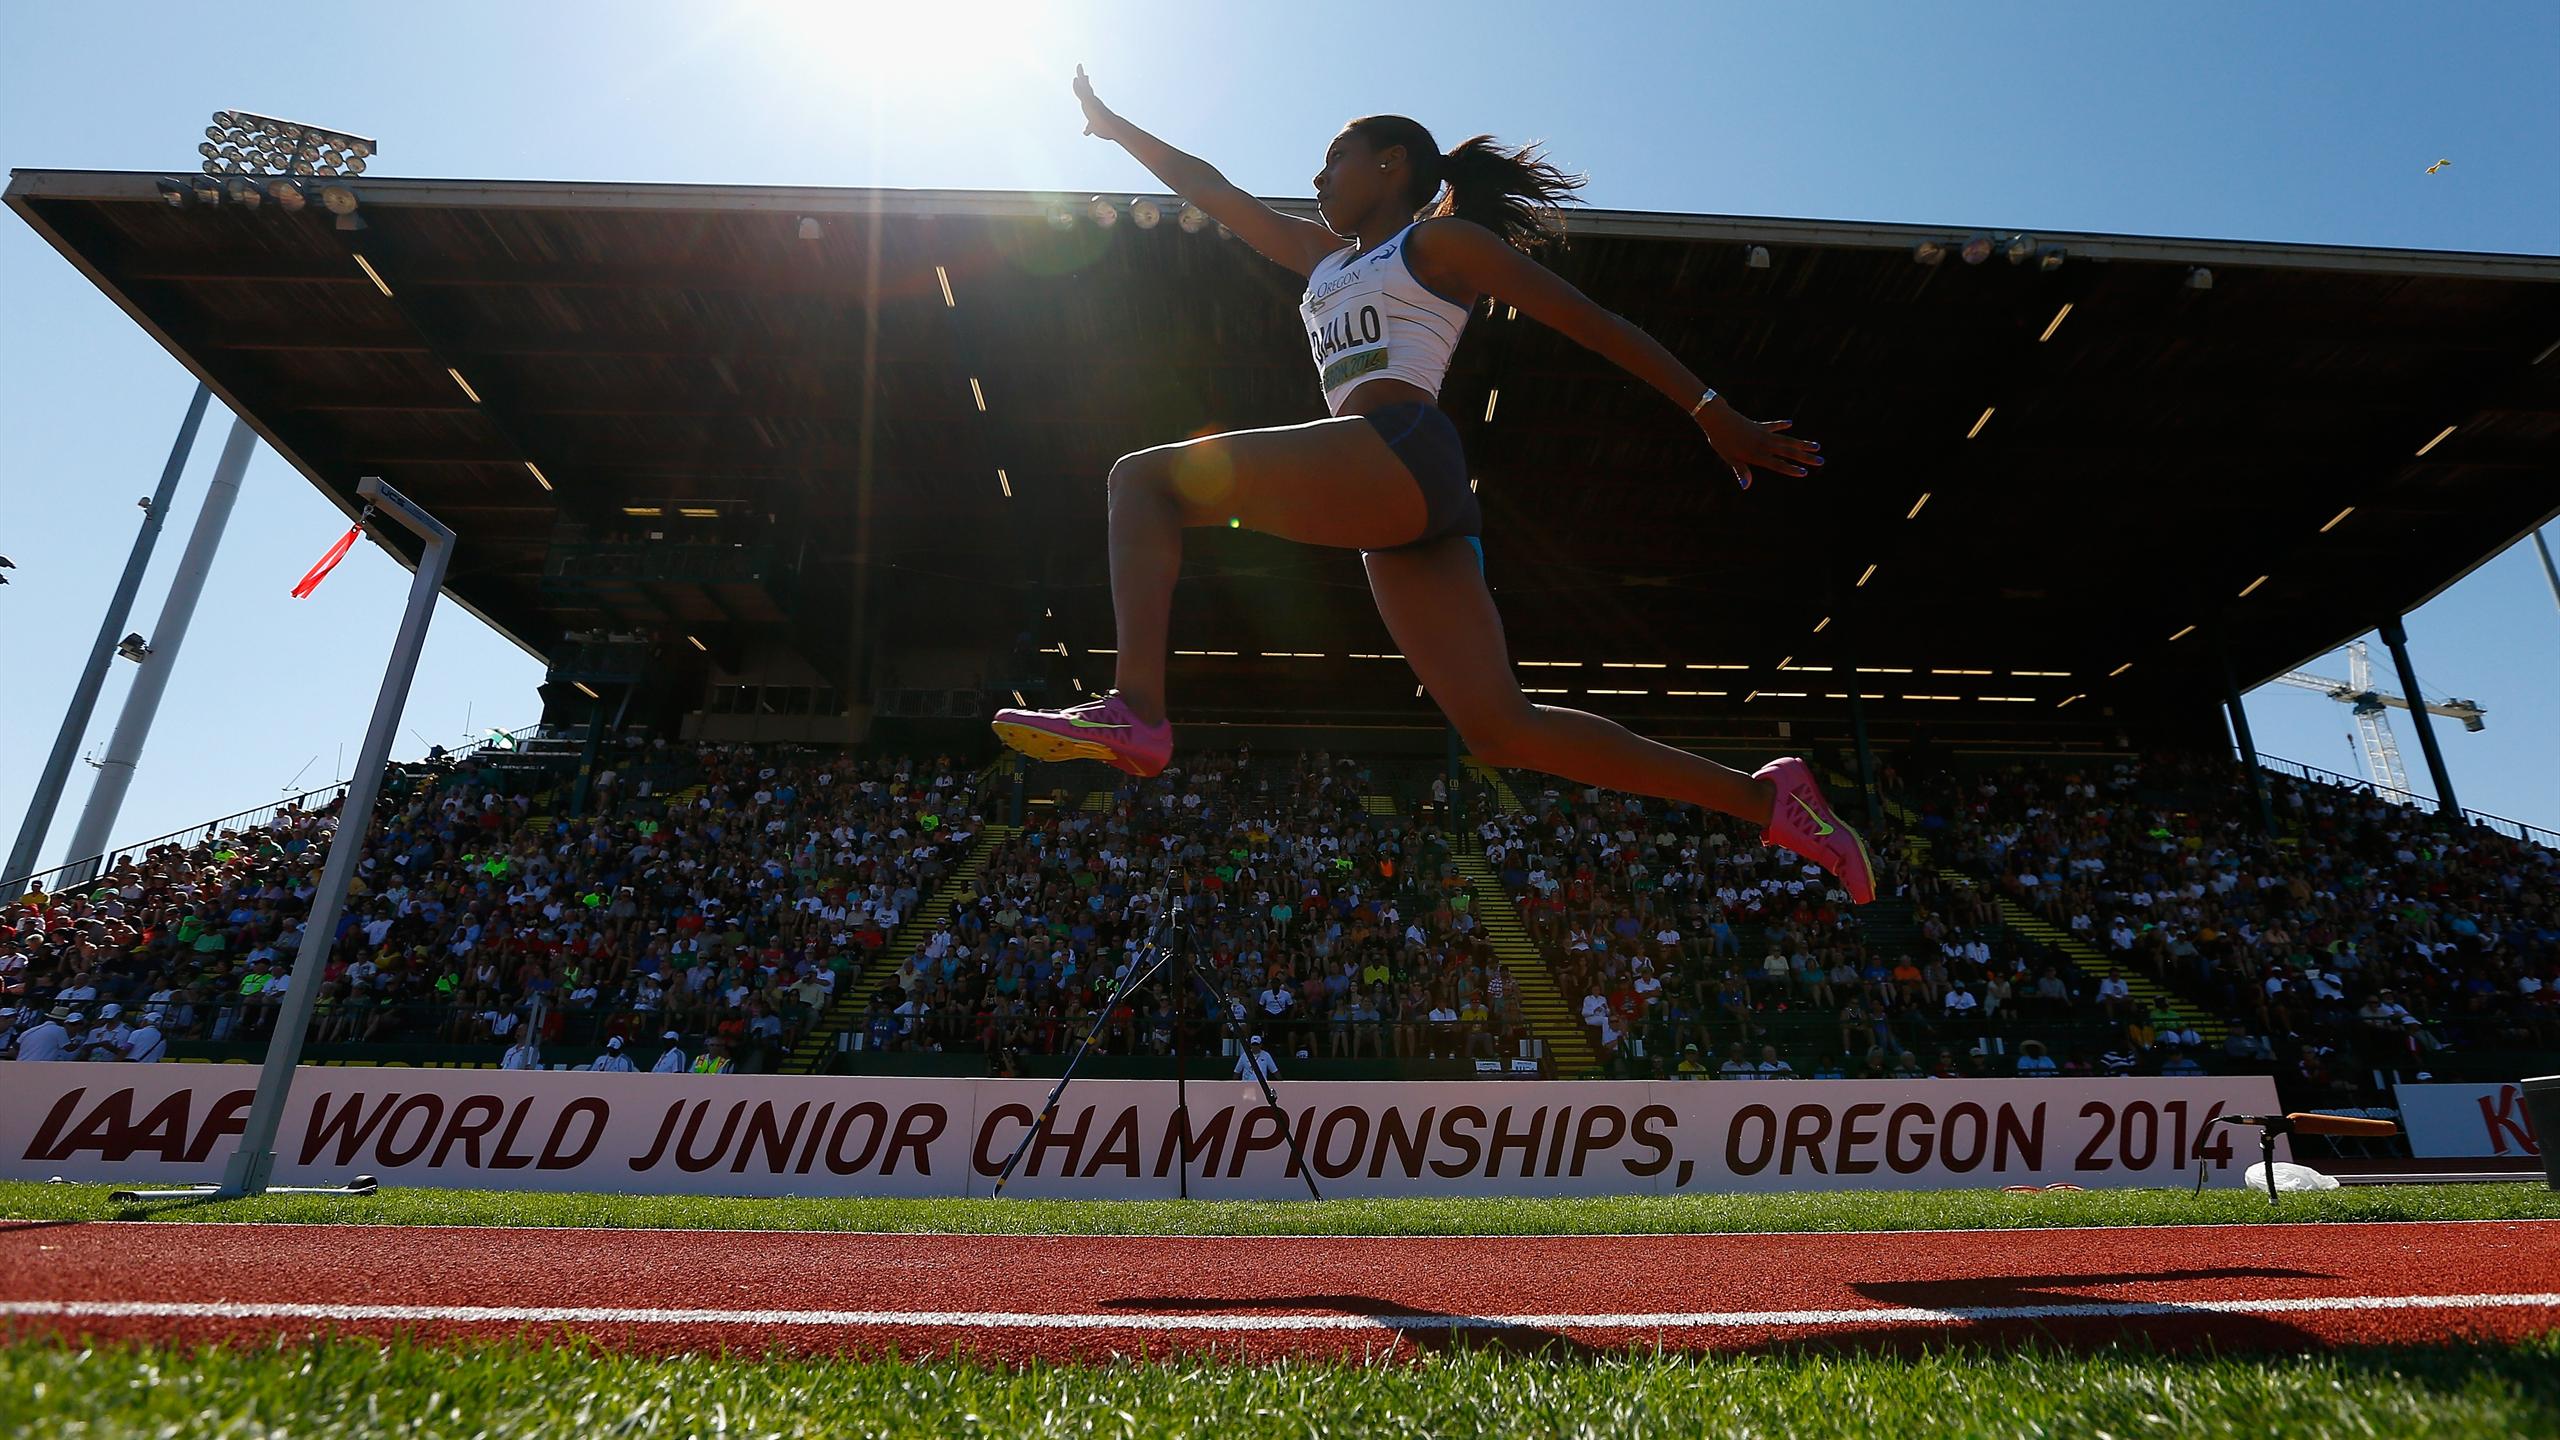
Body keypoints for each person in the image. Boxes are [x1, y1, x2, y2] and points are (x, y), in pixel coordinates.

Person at [989, 68, 1874, 906]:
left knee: (1143, 481)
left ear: (1392, 163)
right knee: (1500, 731)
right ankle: (1772, 802)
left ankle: (1137, 711)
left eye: (1334, 156)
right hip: (1401, 507)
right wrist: (1112, 128)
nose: (1317, 174)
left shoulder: (1439, 243)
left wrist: (1710, 407)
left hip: (1403, 447)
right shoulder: (1318, 258)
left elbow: (1591, 320)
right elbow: (1210, 186)